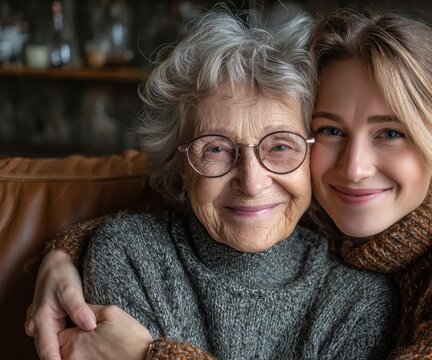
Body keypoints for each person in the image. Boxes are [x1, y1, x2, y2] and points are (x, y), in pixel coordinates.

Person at [27, 7, 432, 360]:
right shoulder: (335, 223)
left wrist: (145, 356)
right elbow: (205, 211)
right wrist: (63, 252)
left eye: (391, 132)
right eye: (331, 132)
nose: (354, 168)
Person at [25, 8, 397, 360]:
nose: (251, 182)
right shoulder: (130, 257)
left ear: (312, 159)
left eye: (281, 146)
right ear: (181, 166)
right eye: (216, 149)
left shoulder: (358, 301)